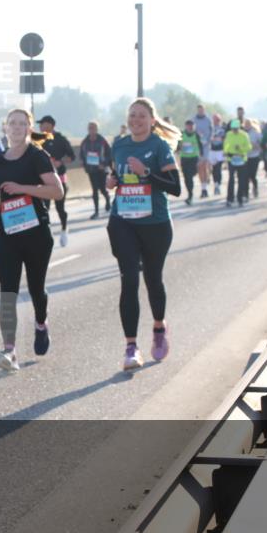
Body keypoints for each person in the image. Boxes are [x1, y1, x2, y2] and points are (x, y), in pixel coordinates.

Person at [0, 109, 64, 372]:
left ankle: (41, 323)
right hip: (7, 233)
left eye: (22, 123)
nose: (16, 128)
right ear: (5, 128)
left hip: (36, 233)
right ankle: (9, 350)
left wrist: (22, 188)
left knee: (36, 288)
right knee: (8, 292)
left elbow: (57, 192)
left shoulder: (37, 156)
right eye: (12, 123)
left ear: (29, 128)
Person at [105, 98, 181, 370]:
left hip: (155, 224)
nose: (136, 120)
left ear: (152, 120)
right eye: (132, 115)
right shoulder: (120, 145)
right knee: (129, 281)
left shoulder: (159, 147)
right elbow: (116, 175)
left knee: (153, 279)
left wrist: (147, 172)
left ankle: (159, 327)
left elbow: (175, 187)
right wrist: (111, 181)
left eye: (141, 116)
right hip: (123, 221)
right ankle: (131, 347)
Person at [39, 115, 75, 246]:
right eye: (40, 124)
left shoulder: (61, 139)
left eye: (43, 124)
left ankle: (64, 229)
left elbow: (72, 156)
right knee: (44, 209)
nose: (41, 126)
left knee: (60, 208)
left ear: (50, 125)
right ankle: (46, 234)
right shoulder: (38, 140)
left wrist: (60, 162)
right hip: (43, 182)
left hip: (59, 179)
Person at [79, 120, 113, 217]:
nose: (91, 130)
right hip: (91, 170)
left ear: (97, 129)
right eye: (90, 128)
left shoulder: (102, 140)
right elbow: (81, 154)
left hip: (101, 169)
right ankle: (96, 211)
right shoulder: (85, 141)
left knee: (102, 189)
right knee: (94, 190)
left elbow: (109, 154)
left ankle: (107, 200)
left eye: (93, 128)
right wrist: (82, 162)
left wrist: (104, 164)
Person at [223, 119, 252, 207]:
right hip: (231, 159)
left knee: (241, 180)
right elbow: (226, 145)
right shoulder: (229, 134)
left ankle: (240, 198)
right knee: (231, 179)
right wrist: (226, 151)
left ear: (239, 128)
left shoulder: (244, 135)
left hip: (241, 159)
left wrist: (240, 148)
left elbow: (249, 147)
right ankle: (229, 199)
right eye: (233, 129)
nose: (234, 130)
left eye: (236, 129)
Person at [176, 119, 203, 205]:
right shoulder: (182, 134)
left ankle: (190, 194)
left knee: (191, 175)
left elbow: (200, 145)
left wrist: (201, 156)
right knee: (187, 177)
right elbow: (178, 145)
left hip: (193, 158)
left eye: (191, 125)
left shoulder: (196, 135)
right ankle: (190, 194)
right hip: (184, 158)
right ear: (186, 126)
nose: (190, 127)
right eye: (188, 125)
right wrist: (177, 150)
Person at [191, 105, 213, 198]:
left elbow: (212, 131)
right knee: (200, 167)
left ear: (204, 110)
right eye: (199, 110)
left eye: (202, 110)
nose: (200, 111)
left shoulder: (208, 120)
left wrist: (208, 140)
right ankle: (203, 189)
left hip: (206, 146)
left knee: (205, 166)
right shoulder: (193, 119)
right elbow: (191, 131)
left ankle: (206, 182)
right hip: (197, 146)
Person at [243, 118, 263, 199]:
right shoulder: (242, 133)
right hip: (245, 157)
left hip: (254, 156)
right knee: (246, 175)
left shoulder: (256, 133)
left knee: (252, 175)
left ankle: (255, 188)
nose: (247, 125)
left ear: (251, 124)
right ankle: (246, 192)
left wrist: (256, 145)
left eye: (248, 123)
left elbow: (262, 145)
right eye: (246, 123)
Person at [208, 113, 226, 195]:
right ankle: (215, 183)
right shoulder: (210, 128)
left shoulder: (223, 128)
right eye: (215, 119)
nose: (216, 121)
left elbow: (224, 139)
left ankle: (218, 184)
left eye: (218, 119)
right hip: (212, 151)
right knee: (214, 169)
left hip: (220, 151)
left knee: (218, 168)